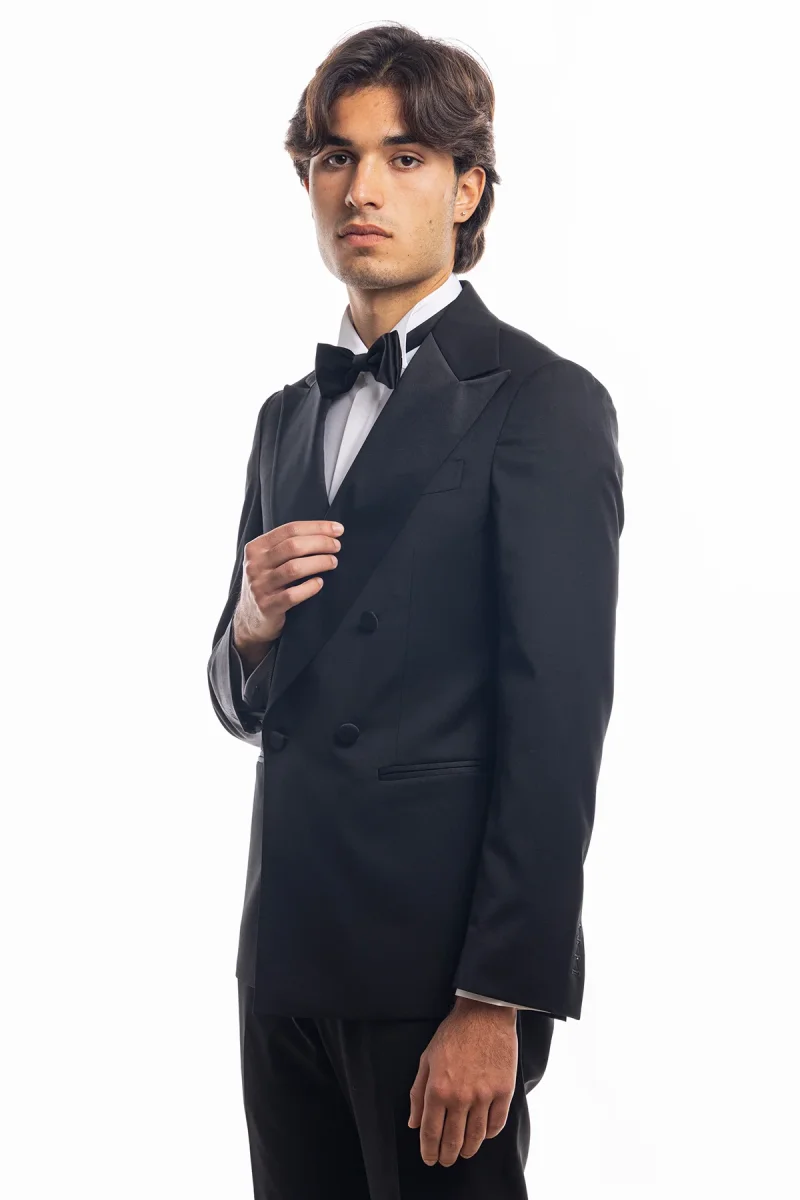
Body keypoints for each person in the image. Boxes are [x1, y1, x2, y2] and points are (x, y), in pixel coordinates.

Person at [207, 21, 624, 1199]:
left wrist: (498, 998)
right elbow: (243, 697)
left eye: (403, 158)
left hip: (436, 978)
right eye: (334, 159)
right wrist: (249, 629)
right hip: (283, 959)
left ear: (466, 187)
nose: (362, 190)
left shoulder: (541, 401)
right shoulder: (286, 416)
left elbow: (557, 726)